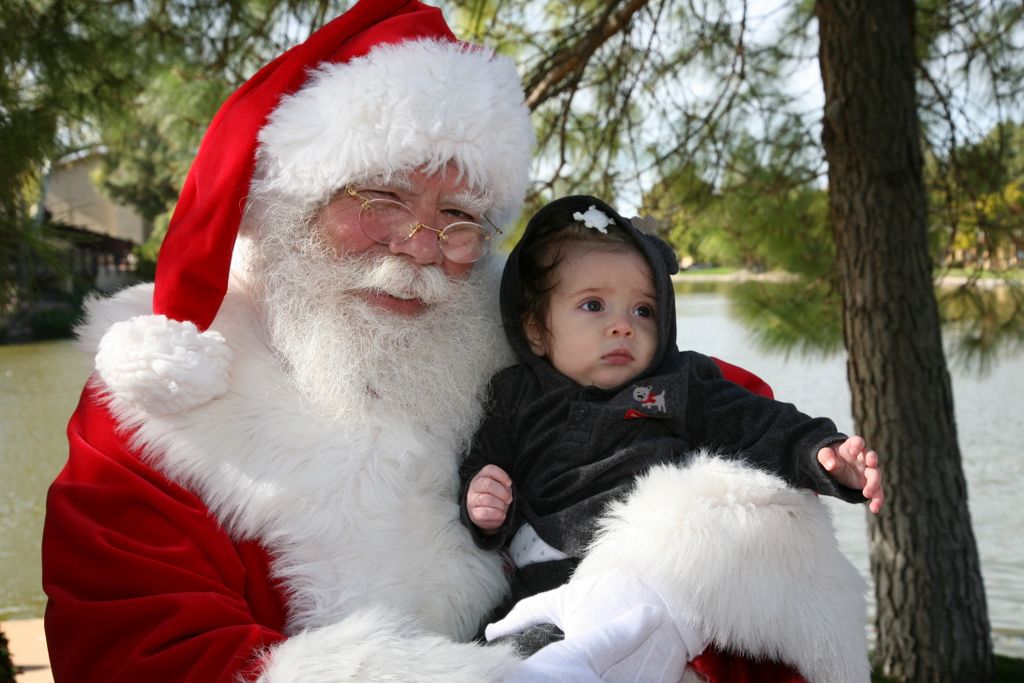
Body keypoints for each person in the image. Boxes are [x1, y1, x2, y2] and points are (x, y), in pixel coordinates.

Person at [42, 2, 872, 682]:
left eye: (460, 218)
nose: (419, 244)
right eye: (379, 196)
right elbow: (129, 646)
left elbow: (713, 403)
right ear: (284, 200)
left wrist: (690, 549)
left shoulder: (527, 343)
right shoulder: (161, 403)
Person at [460, 196, 883, 682]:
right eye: (593, 305)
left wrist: (822, 454)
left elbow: (760, 424)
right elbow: (482, 464)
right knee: (508, 655)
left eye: (643, 309)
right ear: (536, 330)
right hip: (543, 581)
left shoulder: (679, 384)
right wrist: (484, 500)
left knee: (630, 634)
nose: (623, 325)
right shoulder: (514, 395)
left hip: (653, 574)